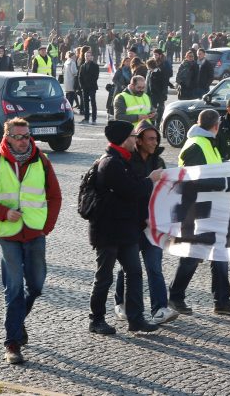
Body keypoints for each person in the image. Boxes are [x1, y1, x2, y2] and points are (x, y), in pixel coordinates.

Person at [0, 118, 62, 365]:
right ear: (7, 136)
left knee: (36, 286)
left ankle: (18, 320)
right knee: (13, 290)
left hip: (35, 233)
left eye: (27, 136)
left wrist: (47, 226)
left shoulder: (42, 161)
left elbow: (54, 196)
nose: (24, 141)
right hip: (8, 235)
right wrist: (3, 212)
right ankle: (12, 343)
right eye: (19, 136)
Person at [87, 120, 164, 336]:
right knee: (105, 276)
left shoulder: (123, 160)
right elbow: (130, 190)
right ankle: (97, 319)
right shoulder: (111, 163)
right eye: (133, 136)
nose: (135, 140)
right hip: (108, 230)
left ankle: (136, 318)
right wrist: (150, 180)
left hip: (126, 229)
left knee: (134, 272)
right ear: (124, 139)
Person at [168, 109, 230, 316]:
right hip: (198, 210)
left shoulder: (206, 143)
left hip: (211, 209)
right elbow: (196, 180)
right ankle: (175, 296)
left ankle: (221, 301)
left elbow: (214, 168)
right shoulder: (197, 146)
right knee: (192, 256)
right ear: (216, 125)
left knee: (219, 254)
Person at [111, 121, 179, 326]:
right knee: (128, 269)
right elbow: (127, 192)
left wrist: (170, 223)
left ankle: (159, 309)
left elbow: (168, 193)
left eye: (156, 138)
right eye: (150, 138)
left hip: (153, 225)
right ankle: (120, 303)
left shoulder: (158, 161)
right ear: (138, 140)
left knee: (154, 267)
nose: (154, 142)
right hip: (131, 225)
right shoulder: (126, 162)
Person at [77, 50, 100, 125]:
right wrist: (82, 86)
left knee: (93, 103)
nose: (87, 57)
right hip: (84, 88)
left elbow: (95, 77)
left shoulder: (95, 66)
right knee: (85, 103)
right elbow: (80, 77)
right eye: (86, 56)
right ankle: (86, 118)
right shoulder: (82, 66)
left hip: (92, 87)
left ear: (91, 57)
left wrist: (89, 84)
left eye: (89, 56)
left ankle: (94, 119)